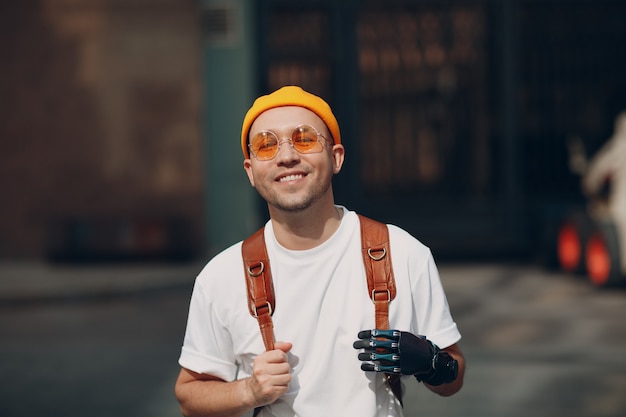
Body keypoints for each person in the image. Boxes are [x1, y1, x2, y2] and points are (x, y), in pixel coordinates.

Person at [174, 86, 465, 417]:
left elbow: (453, 377)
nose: (286, 156)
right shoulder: (221, 276)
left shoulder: (403, 253)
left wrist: (430, 363)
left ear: (336, 157)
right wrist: (249, 390)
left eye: (304, 139)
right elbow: (189, 396)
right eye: (267, 145)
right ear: (251, 171)